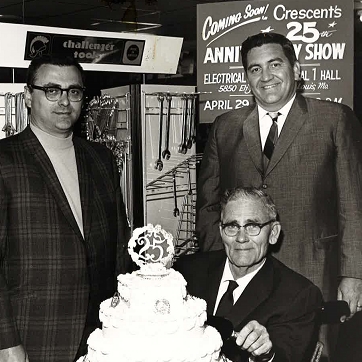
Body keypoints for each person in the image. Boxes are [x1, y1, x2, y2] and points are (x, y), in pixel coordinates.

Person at [196, 32, 362, 359]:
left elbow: (353, 206)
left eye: (275, 64)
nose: (265, 76)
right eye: (254, 69)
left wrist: (353, 274)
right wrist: (219, 269)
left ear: (296, 69)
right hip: (244, 280)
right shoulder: (225, 127)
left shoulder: (334, 120)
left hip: (315, 274)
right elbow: (208, 206)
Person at [0, 55, 131, 361]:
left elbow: (118, 244)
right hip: (34, 331)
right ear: (29, 96)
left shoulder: (101, 158)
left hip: (102, 330)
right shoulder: (5, 160)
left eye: (73, 91)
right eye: (52, 90)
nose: (64, 102)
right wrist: (5, 341)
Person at [176, 187, 323, 362]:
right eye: (232, 226)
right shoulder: (187, 271)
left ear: (273, 233)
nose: (241, 238)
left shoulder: (298, 296)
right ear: (222, 231)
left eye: (252, 226)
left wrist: (268, 354)